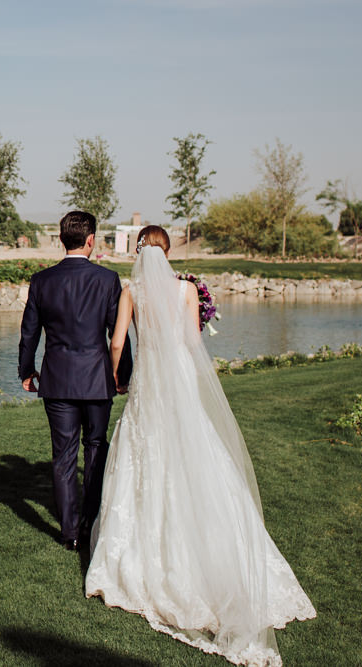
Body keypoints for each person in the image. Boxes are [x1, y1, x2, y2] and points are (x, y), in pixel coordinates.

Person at [85, 225, 315, 667]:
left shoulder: (132, 291)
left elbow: (117, 341)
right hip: (180, 383)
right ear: (168, 251)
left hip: (149, 384)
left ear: (138, 252)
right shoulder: (187, 291)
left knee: (144, 457)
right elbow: (192, 344)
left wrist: (116, 375)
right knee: (196, 454)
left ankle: (142, 562)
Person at [18, 210, 132, 550]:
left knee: (63, 456)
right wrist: (122, 375)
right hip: (98, 380)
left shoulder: (41, 280)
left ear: (61, 239)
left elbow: (29, 334)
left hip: (57, 380)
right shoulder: (108, 279)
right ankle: (89, 524)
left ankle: (69, 535)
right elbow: (118, 335)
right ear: (92, 240)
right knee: (96, 448)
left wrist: (26, 371)